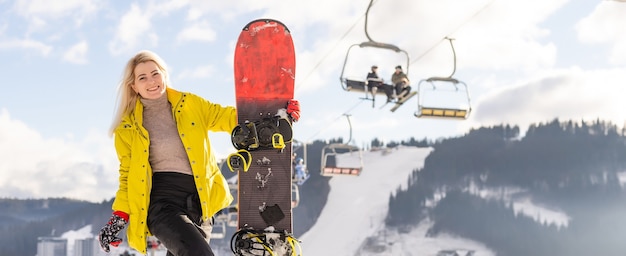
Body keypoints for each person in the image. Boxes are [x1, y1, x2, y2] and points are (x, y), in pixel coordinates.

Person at [97, 50, 301, 256]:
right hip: (163, 203)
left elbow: (228, 117)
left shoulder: (190, 104)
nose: (151, 81)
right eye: (143, 78)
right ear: (134, 86)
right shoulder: (127, 128)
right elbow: (127, 176)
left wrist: (278, 113)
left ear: (164, 75)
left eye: (155, 73)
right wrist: (120, 215)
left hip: (201, 202)